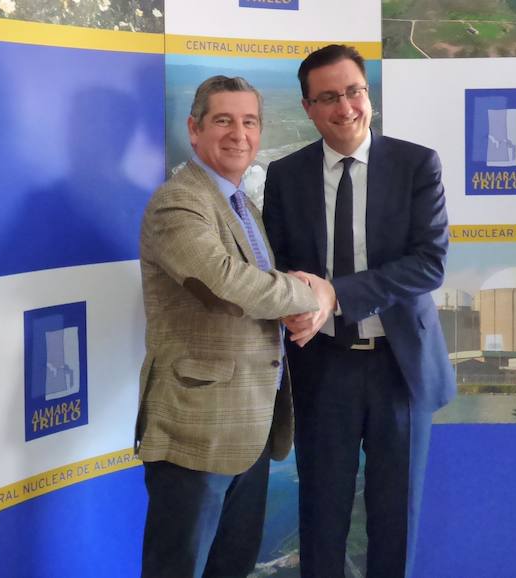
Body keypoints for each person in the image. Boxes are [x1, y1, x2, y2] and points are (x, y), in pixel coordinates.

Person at [262, 44, 456, 578]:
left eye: (354, 92)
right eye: (328, 97)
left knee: (395, 523)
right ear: (308, 108)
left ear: (368, 95)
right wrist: (296, 302)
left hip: (401, 367)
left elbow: (429, 264)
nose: (344, 107)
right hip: (323, 365)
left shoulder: (416, 164)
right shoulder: (285, 175)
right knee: (322, 519)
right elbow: (277, 267)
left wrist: (336, 294)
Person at [135, 75, 334, 578]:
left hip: (250, 428)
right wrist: (312, 295)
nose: (238, 134)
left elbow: (254, 292)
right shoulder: (179, 202)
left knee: (232, 567)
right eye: (223, 120)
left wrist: (289, 302)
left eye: (249, 122)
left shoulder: (241, 204)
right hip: (196, 431)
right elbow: (224, 282)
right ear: (194, 129)